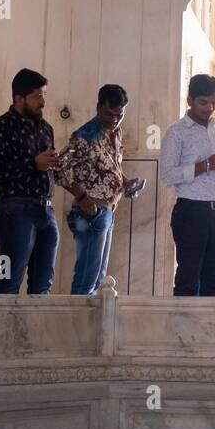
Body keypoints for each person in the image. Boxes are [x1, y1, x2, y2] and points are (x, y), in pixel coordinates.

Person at [54, 84, 144, 296]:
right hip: (90, 214)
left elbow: (110, 166)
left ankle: (90, 327)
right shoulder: (84, 136)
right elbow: (59, 169)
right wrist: (82, 197)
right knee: (87, 280)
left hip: (108, 211)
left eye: (119, 115)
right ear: (97, 107)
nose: (113, 119)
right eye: (108, 113)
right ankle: (78, 327)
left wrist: (125, 182)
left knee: (98, 280)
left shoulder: (116, 132)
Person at [0, 68, 59, 295]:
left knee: (43, 286)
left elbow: (45, 165)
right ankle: (0, 330)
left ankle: (31, 331)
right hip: (13, 212)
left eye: (44, 95)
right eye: (37, 96)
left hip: (46, 211)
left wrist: (55, 164)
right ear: (19, 99)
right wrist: (34, 163)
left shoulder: (45, 129)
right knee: (7, 280)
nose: (43, 102)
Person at [159, 74, 215, 296]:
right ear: (190, 100)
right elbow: (167, 174)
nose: (209, 108)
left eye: (214, 102)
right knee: (188, 280)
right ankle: (182, 330)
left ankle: (210, 329)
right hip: (191, 210)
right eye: (203, 102)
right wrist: (207, 164)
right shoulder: (177, 132)